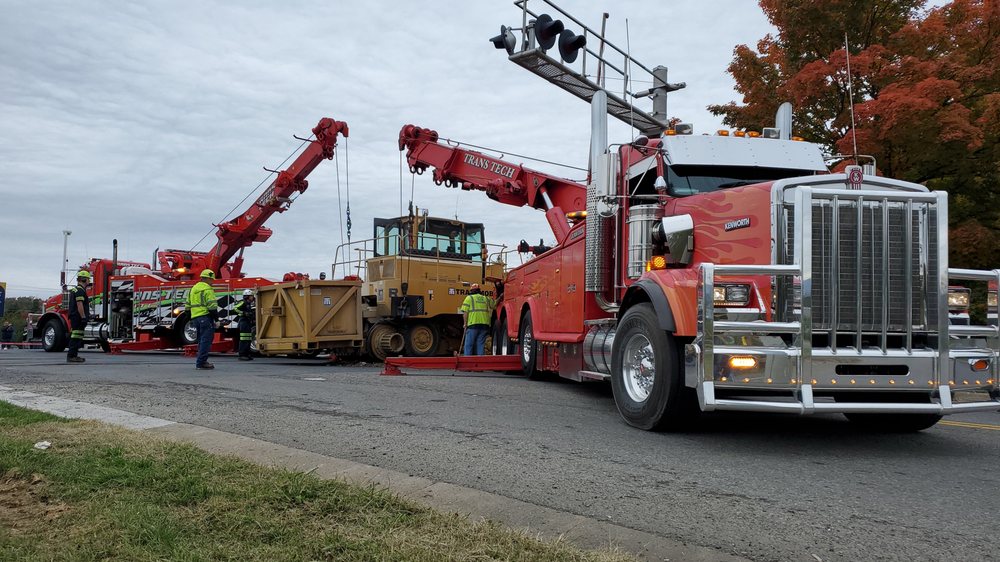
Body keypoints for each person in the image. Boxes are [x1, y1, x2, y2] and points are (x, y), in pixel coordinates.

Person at [187, 269, 219, 370]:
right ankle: (201, 363)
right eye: (211, 279)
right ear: (208, 278)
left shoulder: (193, 288)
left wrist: (191, 317)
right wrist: (216, 319)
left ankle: (201, 361)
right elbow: (212, 306)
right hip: (205, 317)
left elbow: (187, 306)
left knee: (201, 340)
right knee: (206, 340)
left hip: (196, 317)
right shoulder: (207, 289)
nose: (212, 282)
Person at [460, 283, 494, 356]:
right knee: (480, 344)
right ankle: (480, 363)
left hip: (473, 325)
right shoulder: (486, 298)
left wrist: (465, 324)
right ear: (479, 290)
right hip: (484, 325)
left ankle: (467, 362)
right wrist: (500, 297)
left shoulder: (469, 298)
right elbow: (494, 305)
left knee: (469, 345)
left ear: (471, 291)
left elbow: (465, 312)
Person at [66, 270, 92, 363]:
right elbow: (79, 304)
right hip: (77, 317)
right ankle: (72, 356)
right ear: (85, 279)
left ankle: (74, 355)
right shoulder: (80, 290)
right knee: (76, 336)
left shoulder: (76, 289)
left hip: (75, 316)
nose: (89, 281)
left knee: (77, 336)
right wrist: (83, 317)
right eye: (88, 279)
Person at [234, 289, 256, 361]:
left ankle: (247, 354)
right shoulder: (243, 302)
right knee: (244, 339)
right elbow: (235, 308)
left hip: (247, 322)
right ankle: (242, 355)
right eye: (251, 296)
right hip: (243, 322)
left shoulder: (248, 303)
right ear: (247, 296)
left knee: (248, 339)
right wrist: (243, 313)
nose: (252, 297)